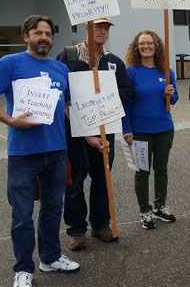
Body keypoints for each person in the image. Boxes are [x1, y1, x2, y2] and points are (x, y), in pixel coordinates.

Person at [0, 15, 79, 287]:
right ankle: (23, 269)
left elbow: (70, 109)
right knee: (21, 216)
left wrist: (92, 133)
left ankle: (50, 258)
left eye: (47, 33)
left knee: (52, 209)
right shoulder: (10, 63)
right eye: (38, 33)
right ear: (26, 37)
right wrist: (11, 121)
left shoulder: (61, 69)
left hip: (57, 151)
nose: (43, 37)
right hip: (23, 154)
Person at [56, 17, 133, 250]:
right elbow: (60, 94)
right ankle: (77, 230)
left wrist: (106, 101)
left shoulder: (114, 62)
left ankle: (100, 225)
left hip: (104, 133)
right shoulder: (68, 57)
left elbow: (127, 92)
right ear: (87, 27)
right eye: (99, 27)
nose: (103, 31)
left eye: (107, 28)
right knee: (74, 185)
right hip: (74, 135)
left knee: (103, 181)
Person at [122, 30, 178, 229]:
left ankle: (160, 206)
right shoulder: (131, 71)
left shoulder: (166, 71)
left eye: (149, 43)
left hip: (164, 128)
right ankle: (145, 210)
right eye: (142, 44)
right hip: (140, 130)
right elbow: (125, 104)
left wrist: (169, 94)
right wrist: (126, 128)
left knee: (161, 169)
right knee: (143, 171)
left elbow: (175, 99)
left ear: (157, 46)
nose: (146, 47)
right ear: (136, 48)